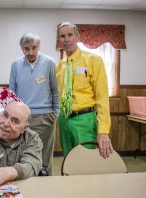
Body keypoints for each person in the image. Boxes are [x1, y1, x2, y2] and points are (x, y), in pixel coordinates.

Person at [56, 22, 113, 158]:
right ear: (59, 40)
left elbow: (102, 98)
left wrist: (103, 131)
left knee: (85, 162)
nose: (66, 39)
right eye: (62, 36)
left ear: (78, 37)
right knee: (68, 161)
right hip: (64, 120)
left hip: (84, 120)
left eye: (70, 35)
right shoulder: (60, 66)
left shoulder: (94, 61)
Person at [9, 32, 59, 175]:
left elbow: (55, 90)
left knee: (44, 156)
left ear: (39, 47)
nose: (30, 52)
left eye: (34, 48)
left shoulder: (49, 62)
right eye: (26, 48)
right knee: (21, 154)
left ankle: (46, 187)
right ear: (21, 48)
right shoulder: (16, 64)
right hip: (22, 118)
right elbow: (12, 92)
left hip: (45, 117)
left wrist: (55, 114)